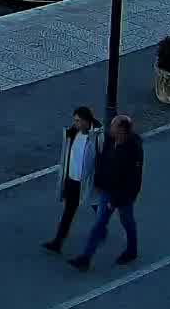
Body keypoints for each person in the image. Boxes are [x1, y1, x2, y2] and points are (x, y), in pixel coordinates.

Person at [71, 115, 143, 271]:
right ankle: (86, 258)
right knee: (99, 224)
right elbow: (103, 161)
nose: (110, 128)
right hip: (107, 190)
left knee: (126, 221)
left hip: (122, 196)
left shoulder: (133, 151)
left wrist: (116, 200)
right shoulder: (112, 141)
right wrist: (98, 182)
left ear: (122, 130)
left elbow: (132, 181)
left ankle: (131, 250)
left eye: (113, 126)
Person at [43, 107, 102, 253]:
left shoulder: (97, 136)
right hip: (72, 180)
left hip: (87, 181)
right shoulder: (73, 133)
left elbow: (101, 159)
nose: (75, 123)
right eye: (74, 120)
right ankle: (58, 242)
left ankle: (102, 227)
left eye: (77, 121)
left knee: (96, 205)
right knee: (69, 211)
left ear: (86, 121)